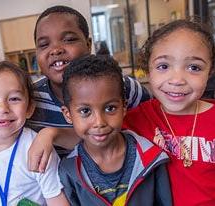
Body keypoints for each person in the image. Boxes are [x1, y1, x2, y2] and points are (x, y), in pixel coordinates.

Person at [0, 5, 150, 186]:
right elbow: (1, 130)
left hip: (127, 182)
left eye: (69, 39)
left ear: (88, 44)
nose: (56, 50)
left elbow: (158, 122)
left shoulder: (121, 86)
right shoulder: (32, 98)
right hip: (61, 189)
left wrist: (52, 133)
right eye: (44, 44)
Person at [123, 19, 215, 206]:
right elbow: (92, 133)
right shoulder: (136, 120)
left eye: (194, 68)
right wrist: (51, 134)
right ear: (148, 70)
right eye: (163, 66)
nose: (177, 80)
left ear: (209, 71)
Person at [58, 54, 172, 205]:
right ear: (68, 114)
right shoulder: (68, 171)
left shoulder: (151, 157)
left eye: (110, 108)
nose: (99, 122)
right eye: (85, 111)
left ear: (124, 107)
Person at [0, 61, 69, 206]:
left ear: (29, 108)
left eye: (14, 99)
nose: (2, 108)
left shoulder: (37, 148)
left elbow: (56, 200)